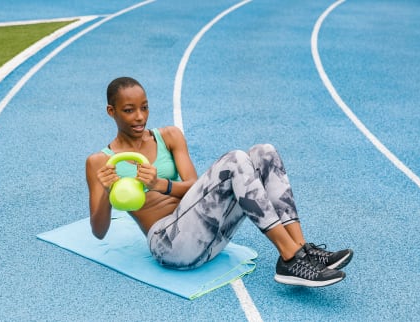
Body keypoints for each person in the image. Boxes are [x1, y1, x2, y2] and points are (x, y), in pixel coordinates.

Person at [86, 76, 353, 287]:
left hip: (206, 232)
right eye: (129, 110)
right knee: (235, 159)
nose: (140, 117)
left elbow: (193, 185)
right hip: (170, 246)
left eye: (144, 108)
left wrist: (160, 184)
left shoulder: (168, 136)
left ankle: (300, 251)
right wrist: (107, 193)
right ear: (111, 111)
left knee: (264, 152)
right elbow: (99, 231)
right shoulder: (101, 161)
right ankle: (289, 258)